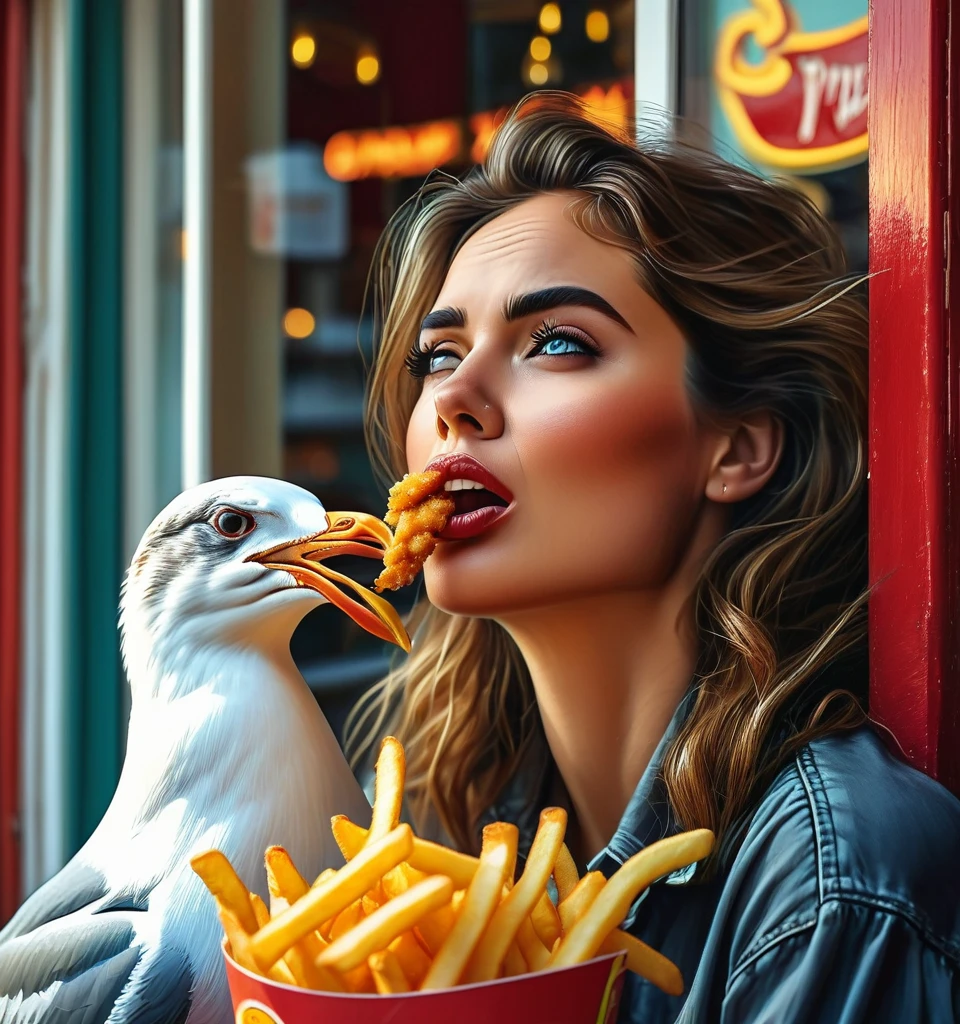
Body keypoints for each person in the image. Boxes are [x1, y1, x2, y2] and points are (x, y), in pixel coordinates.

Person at [347, 92, 960, 1022]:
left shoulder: (835, 877)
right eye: (437, 354)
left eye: (556, 343)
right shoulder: (441, 821)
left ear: (738, 447)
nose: (455, 401)